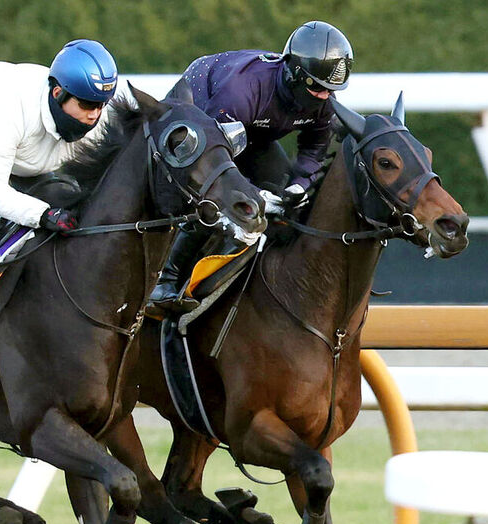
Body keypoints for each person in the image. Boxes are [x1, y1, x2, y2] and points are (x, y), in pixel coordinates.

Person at [147, 20, 354, 314]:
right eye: (317, 88)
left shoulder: (324, 100)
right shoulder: (241, 90)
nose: (324, 97)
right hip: (203, 119)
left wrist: (300, 185)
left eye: (330, 90)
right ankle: (165, 280)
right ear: (295, 74)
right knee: (216, 199)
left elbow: (314, 149)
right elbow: (218, 164)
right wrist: (254, 192)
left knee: (282, 199)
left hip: (251, 134)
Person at [0, 39, 120, 315]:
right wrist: (43, 215)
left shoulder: (98, 119)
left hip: (18, 150)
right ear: (58, 93)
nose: (94, 115)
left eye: (101, 104)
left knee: (57, 193)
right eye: (87, 104)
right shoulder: (14, 108)